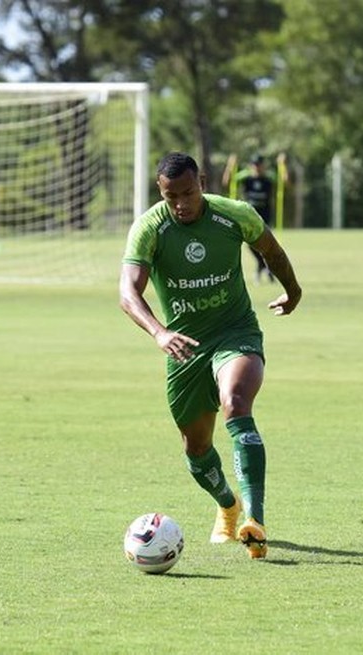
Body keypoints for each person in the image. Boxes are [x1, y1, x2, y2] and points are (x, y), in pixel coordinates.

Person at [119, 152, 302, 560]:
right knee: (196, 449)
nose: (182, 204)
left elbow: (271, 250)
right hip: (184, 347)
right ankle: (227, 505)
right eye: (172, 197)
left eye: (189, 192)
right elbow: (128, 293)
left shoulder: (234, 214)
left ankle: (255, 520)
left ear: (202, 181)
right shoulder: (150, 228)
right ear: (160, 192)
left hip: (235, 331)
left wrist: (293, 290)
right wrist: (160, 332)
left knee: (236, 404)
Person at [223, 153, 288, 283]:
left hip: (265, 216)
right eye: (255, 165)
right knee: (250, 244)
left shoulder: (269, 178)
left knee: (265, 244)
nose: (257, 168)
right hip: (248, 216)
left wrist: (283, 165)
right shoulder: (246, 177)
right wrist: (230, 166)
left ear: (264, 166)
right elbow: (227, 182)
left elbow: (284, 182)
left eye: (260, 165)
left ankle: (263, 268)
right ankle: (265, 267)